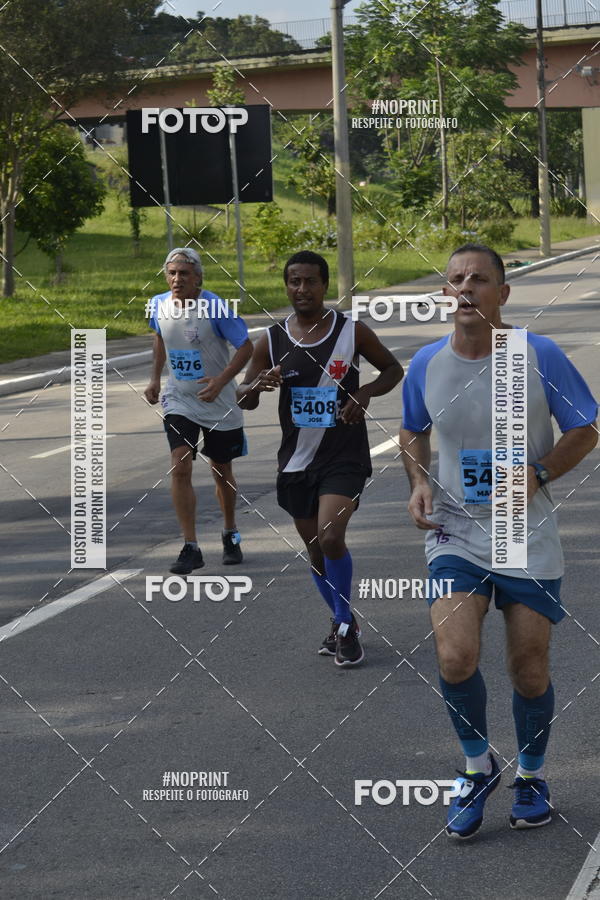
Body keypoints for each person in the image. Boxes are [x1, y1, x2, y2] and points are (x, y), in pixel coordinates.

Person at [399, 243, 598, 838]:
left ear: (502, 294)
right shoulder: (426, 363)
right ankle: (476, 764)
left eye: (479, 280)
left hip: (525, 531)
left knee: (528, 668)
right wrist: (417, 482)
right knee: (455, 654)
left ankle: (532, 775)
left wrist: (536, 474)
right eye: (455, 280)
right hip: (455, 532)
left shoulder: (538, 355)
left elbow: (586, 428)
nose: (465, 289)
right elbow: (413, 430)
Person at [238, 250, 403, 666]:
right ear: (286, 286)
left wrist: (363, 394)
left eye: (310, 281)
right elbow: (244, 399)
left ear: (324, 285)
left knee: (331, 536)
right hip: (296, 460)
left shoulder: (351, 331)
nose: (301, 289)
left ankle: (346, 627)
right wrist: (258, 383)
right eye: (294, 281)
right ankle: (340, 618)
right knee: (315, 550)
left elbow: (392, 370)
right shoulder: (272, 340)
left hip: (344, 455)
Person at [144, 247, 253, 573]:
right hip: (180, 399)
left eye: (184, 274)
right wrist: (154, 379)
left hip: (218, 400)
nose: (177, 279)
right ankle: (190, 546)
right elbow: (160, 337)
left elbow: (246, 346)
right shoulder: (158, 304)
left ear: (198, 278)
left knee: (221, 470)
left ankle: (230, 531)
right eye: (172, 273)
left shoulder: (215, 308)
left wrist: (222, 381)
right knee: (180, 466)